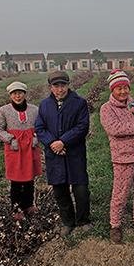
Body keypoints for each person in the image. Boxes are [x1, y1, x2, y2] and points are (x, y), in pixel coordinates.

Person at [100, 70, 134, 244]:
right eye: (119, 88)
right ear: (112, 90)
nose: (123, 92)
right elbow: (115, 129)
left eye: (125, 87)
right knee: (121, 192)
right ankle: (115, 225)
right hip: (123, 157)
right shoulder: (106, 109)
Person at [35, 70, 91, 236]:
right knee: (60, 189)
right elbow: (40, 128)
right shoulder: (44, 105)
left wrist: (63, 141)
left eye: (63, 85)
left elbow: (82, 126)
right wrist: (52, 143)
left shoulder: (79, 103)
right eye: (56, 86)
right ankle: (68, 221)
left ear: (68, 85)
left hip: (74, 152)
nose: (60, 89)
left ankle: (83, 220)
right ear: (51, 87)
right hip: (54, 155)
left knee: (81, 188)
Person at [0, 81, 42, 221]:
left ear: (25, 94)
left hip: (30, 148)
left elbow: (41, 126)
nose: (17, 96)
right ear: (10, 95)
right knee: (16, 181)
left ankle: (28, 205)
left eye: (20, 93)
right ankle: (16, 209)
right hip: (14, 150)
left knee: (29, 179)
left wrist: (36, 137)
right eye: (14, 93)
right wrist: (10, 139)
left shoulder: (34, 110)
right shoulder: (4, 111)